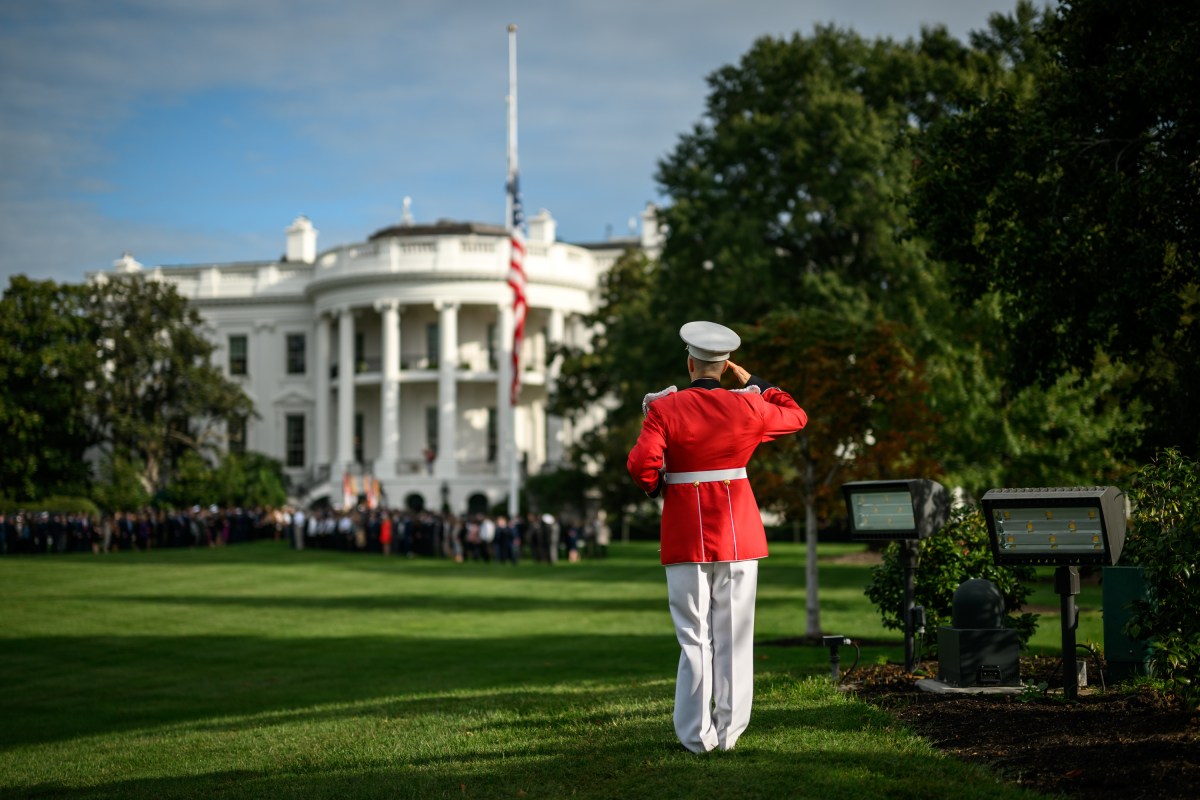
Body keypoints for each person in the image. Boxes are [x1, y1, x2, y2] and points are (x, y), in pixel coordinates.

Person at [626, 320, 807, 754]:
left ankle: (695, 736)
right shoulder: (749, 406)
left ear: (689, 362)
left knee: (694, 635)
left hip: (686, 531)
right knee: (734, 634)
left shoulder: (664, 409)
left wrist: (657, 486)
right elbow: (797, 415)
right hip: (738, 531)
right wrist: (757, 383)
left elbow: (641, 465)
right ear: (726, 367)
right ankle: (730, 734)